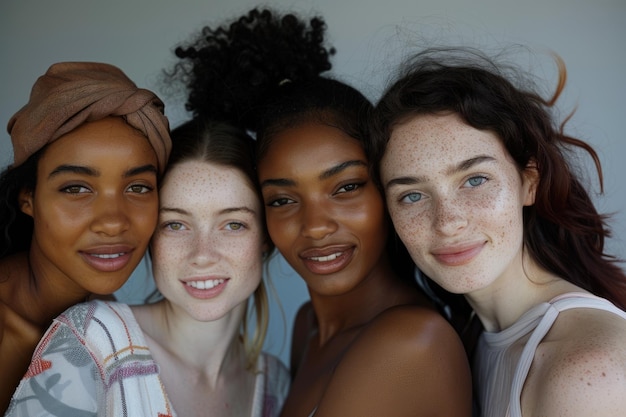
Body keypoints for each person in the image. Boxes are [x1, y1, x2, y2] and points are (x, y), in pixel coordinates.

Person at [171, 8, 472, 417]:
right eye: (282, 200)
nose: (315, 226)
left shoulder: (412, 341)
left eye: (346, 188)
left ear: (387, 187)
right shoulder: (307, 326)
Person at [373, 47, 626, 417]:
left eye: (475, 179)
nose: (447, 221)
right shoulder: (471, 338)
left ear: (529, 181)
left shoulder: (586, 373)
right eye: (411, 195)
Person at [5, 117, 290, 416]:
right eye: (175, 224)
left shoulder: (275, 385)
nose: (202, 255)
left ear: (266, 235)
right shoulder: (92, 343)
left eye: (233, 224)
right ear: (151, 234)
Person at [0, 61, 171, 414]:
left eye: (138, 187)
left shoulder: (108, 327)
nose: (112, 223)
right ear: (27, 198)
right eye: (76, 188)